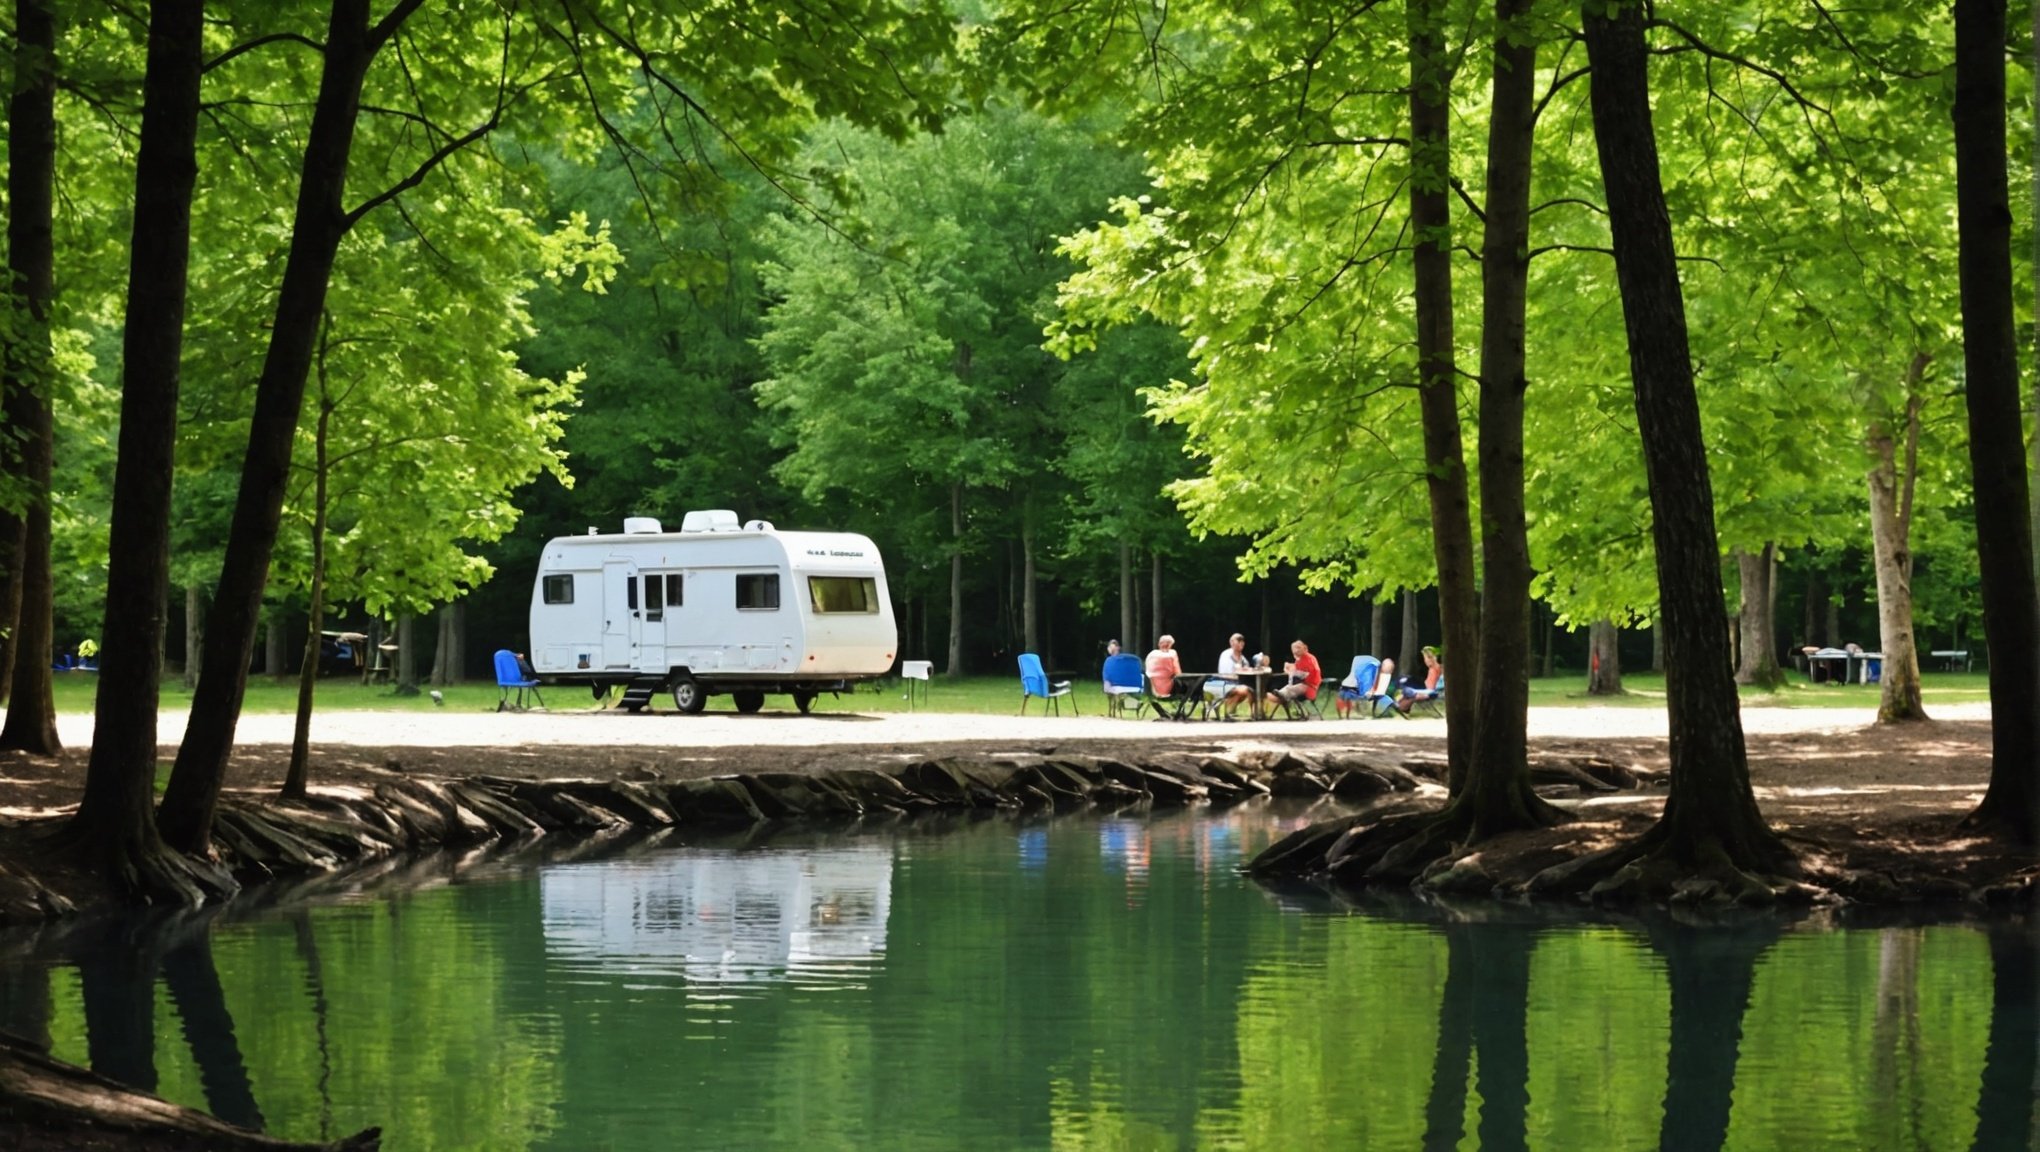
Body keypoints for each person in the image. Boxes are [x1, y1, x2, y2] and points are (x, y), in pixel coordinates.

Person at [1205, 634, 1257, 720]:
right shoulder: (1226, 655)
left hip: (1234, 683)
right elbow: (1227, 672)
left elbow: (1246, 666)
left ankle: (1250, 714)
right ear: (1232, 643)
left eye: (1242, 642)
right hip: (1224, 682)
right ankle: (1251, 714)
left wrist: (1248, 668)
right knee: (1246, 690)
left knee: (1247, 691)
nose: (1241, 644)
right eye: (1238, 641)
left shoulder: (1241, 656)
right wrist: (1241, 669)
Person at [1265, 639, 1321, 717]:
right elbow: (1295, 672)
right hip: (1300, 685)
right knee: (1289, 688)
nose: (1296, 650)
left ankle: (1281, 695)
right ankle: (1280, 695)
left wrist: (1291, 671)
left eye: (1298, 648)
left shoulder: (1309, 658)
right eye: (1294, 648)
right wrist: (1289, 669)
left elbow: (1308, 674)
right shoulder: (1299, 660)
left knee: (1291, 689)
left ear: (1305, 648)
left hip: (1310, 687)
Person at [1145, 634, 1184, 712]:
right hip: (1168, 690)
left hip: (1153, 689)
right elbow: (1178, 673)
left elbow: (1147, 670)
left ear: (1159, 644)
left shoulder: (1151, 654)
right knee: (1188, 684)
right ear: (1169, 645)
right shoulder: (1172, 654)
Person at [1397, 646, 1443, 713]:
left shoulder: (1434, 669)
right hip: (1429, 690)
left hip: (1431, 691)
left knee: (1408, 691)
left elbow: (1431, 687)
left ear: (1431, 658)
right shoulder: (1435, 668)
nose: (1425, 661)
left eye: (1425, 658)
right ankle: (1401, 707)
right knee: (1408, 691)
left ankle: (1400, 707)